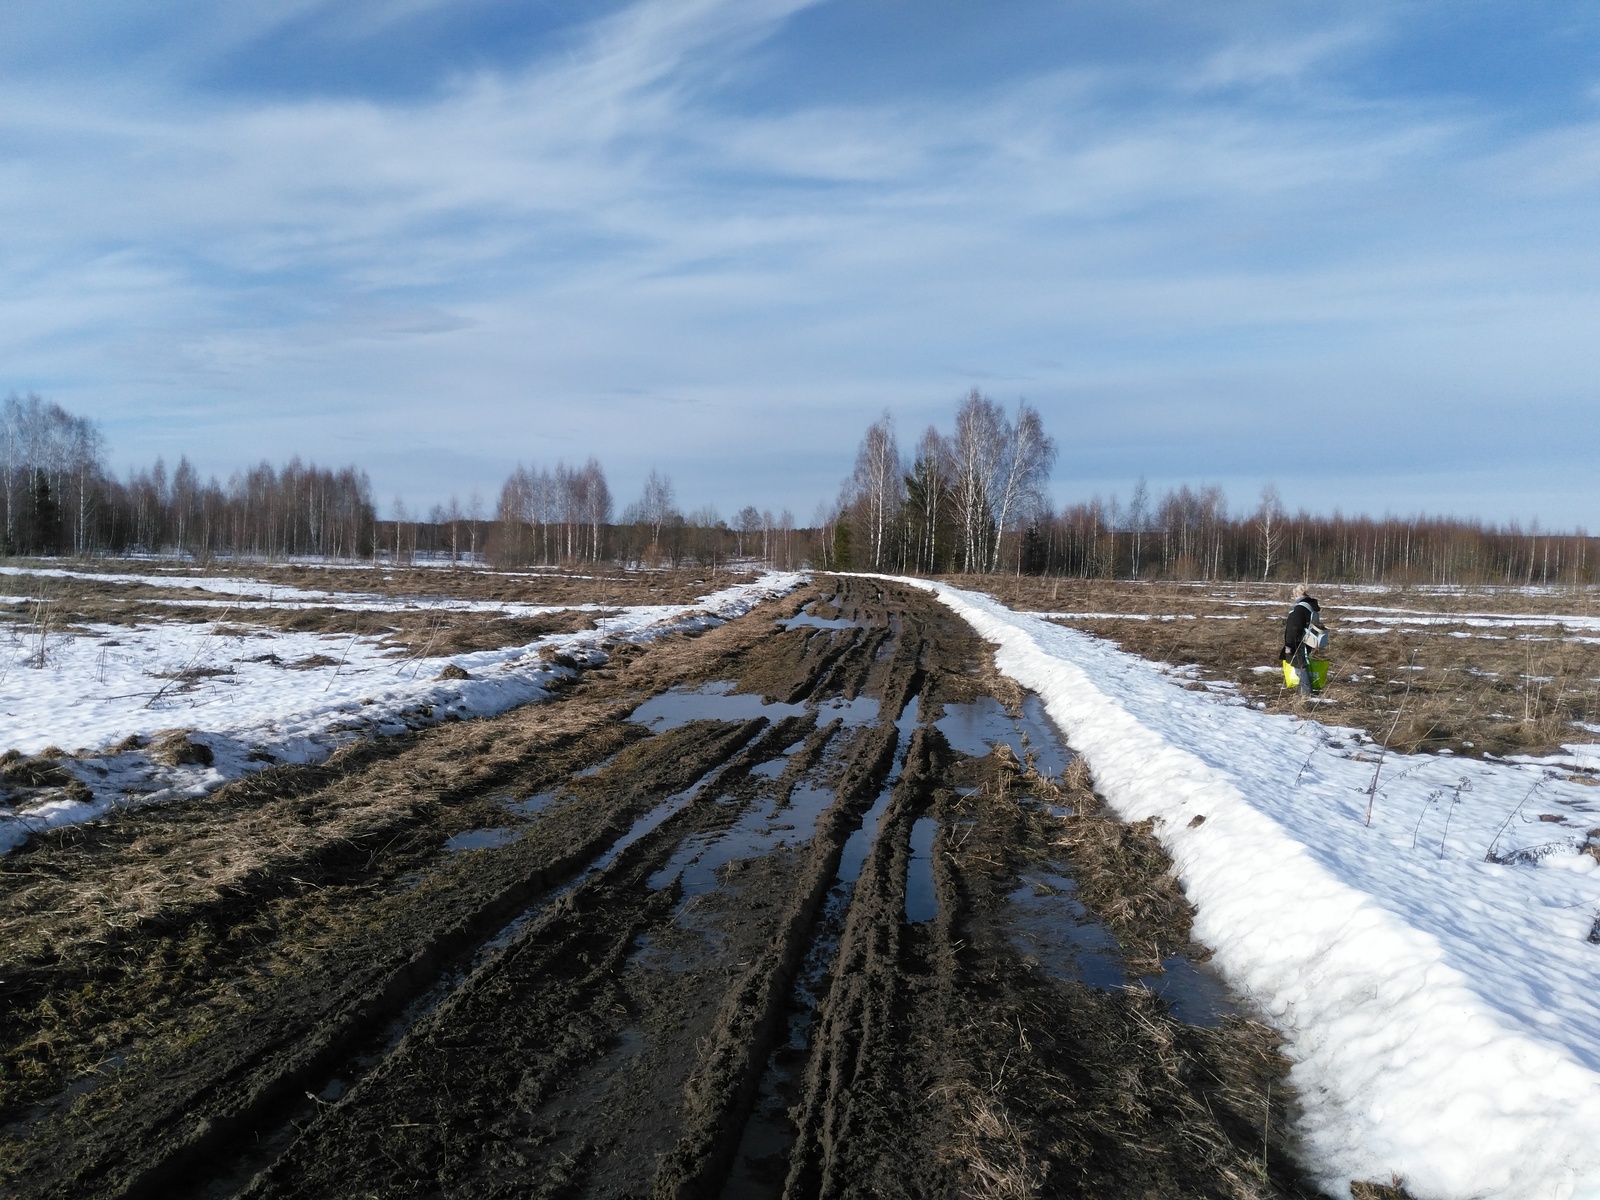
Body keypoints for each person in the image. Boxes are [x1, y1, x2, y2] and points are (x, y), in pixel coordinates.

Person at [1281, 586, 1324, 696]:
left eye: (1293, 595)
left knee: (1299, 666)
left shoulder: (1299, 610)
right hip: (1308, 640)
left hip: (1298, 642)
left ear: (1297, 595)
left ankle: (1305, 693)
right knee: (1301, 665)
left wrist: (1288, 645)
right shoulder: (1311, 606)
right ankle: (1303, 690)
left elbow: (1293, 629)